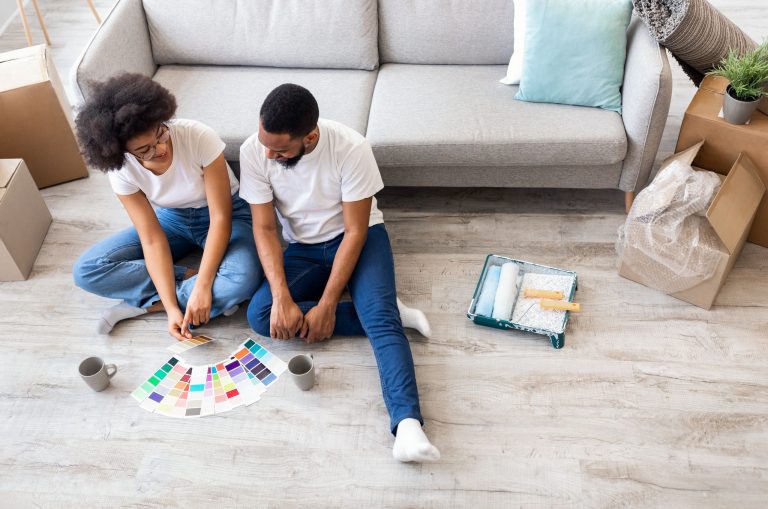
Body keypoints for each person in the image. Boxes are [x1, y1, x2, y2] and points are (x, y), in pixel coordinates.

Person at [240, 83, 440, 462]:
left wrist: (329, 304)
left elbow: (356, 231)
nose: (268, 154)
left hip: (359, 240)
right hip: (303, 249)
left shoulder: (351, 148)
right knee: (261, 315)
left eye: (279, 149)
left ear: (310, 136)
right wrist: (282, 297)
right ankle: (391, 313)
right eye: (266, 143)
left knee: (379, 322)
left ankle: (408, 426)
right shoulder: (254, 150)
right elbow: (265, 229)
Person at [73, 73, 262, 340]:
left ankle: (145, 305)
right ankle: (183, 286)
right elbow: (152, 240)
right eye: (144, 150)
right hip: (172, 220)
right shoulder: (121, 170)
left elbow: (221, 218)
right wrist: (174, 308)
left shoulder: (197, 136)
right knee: (87, 270)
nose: (160, 148)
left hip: (227, 215)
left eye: (161, 134)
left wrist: (204, 287)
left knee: (243, 278)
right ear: (121, 151)